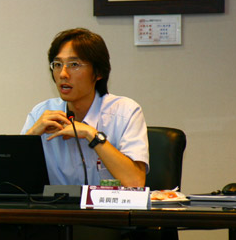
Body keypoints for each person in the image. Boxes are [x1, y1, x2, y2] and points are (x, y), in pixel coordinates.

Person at [21, 28, 148, 187]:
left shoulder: (125, 112)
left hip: (107, 204)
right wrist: (31, 137)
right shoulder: (41, 113)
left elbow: (135, 182)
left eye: (74, 64)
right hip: (56, 204)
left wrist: (92, 135)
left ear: (98, 72)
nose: (63, 74)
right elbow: (10, 183)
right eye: (58, 64)